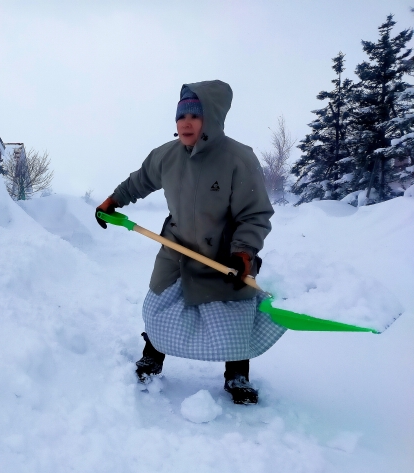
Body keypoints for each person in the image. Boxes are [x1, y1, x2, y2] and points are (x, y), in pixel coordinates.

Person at [95, 80, 286, 405]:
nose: (185, 122)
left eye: (195, 115)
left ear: (211, 118)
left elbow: (254, 214)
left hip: (225, 252)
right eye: (181, 115)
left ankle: (237, 375)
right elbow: (139, 181)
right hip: (176, 246)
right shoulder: (166, 156)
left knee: (234, 316)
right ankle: (152, 356)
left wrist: (243, 252)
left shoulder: (238, 158)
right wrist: (114, 200)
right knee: (159, 307)